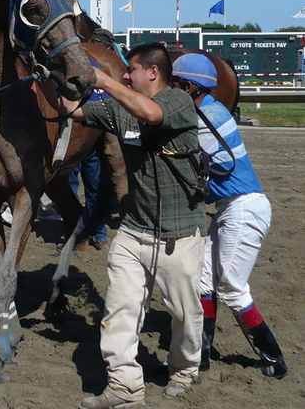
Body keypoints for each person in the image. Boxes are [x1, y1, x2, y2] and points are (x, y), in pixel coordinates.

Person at [41, 42, 206, 407]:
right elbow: (71, 110)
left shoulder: (177, 101)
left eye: (130, 69)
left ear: (153, 72)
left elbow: (150, 114)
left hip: (179, 233)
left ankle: (183, 368)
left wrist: (103, 78)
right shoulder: (118, 109)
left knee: (184, 313)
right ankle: (124, 389)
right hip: (133, 230)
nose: (125, 75)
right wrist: (49, 76)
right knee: (119, 310)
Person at [171, 53, 288, 379]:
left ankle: (274, 358)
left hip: (243, 209)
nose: (173, 89)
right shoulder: (208, 110)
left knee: (232, 289)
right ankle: (203, 354)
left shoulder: (205, 118)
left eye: (176, 84)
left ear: (190, 86)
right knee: (203, 281)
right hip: (230, 208)